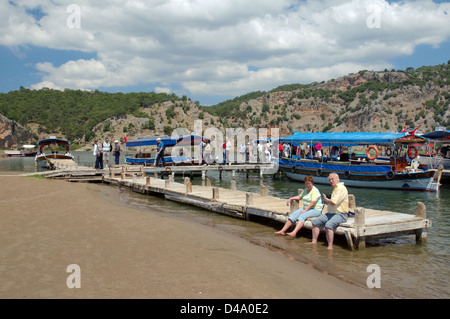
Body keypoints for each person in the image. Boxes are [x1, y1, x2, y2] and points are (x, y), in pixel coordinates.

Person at [308, 173, 348, 250]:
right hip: (330, 214)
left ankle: (330, 246)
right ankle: (314, 241)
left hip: (341, 214)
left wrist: (326, 199)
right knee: (315, 222)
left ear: (337, 178)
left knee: (328, 225)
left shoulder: (341, 188)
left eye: (332, 179)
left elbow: (333, 202)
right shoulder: (336, 188)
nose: (331, 181)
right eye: (329, 179)